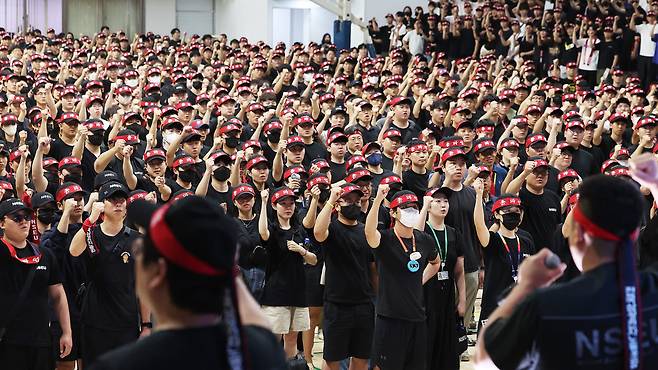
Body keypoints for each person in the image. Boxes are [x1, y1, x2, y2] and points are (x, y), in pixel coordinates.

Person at [475, 155, 658, 369]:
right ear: (635, 234)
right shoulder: (652, 288)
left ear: (578, 236)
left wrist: (525, 287)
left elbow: (487, 359)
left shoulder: (547, 304)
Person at [88, 195, 288, 370]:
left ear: (157, 274)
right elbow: (258, 325)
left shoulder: (119, 365)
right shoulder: (260, 350)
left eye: (141, 253)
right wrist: (219, 261)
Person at [68, 181, 148, 365]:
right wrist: (90, 219)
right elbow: (73, 250)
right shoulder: (91, 233)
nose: (118, 203)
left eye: (122, 199)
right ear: (102, 204)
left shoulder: (137, 239)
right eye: (112, 199)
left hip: (126, 322)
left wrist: (146, 325)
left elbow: (143, 286)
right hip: (94, 322)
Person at [365, 185, 440, 370]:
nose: (411, 211)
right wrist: (377, 201)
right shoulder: (385, 239)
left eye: (414, 207)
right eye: (406, 208)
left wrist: (420, 280)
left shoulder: (424, 239)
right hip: (389, 318)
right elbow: (368, 232)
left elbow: (435, 262)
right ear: (394, 213)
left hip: (417, 317)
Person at [0, 198, 72, 370]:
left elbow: (58, 294)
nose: (23, 221)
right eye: (16, 218)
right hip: (6, 342)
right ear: (2, 223)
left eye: (26, 216)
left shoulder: (44, 254)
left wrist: (67, 332)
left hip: (40, 342)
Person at [314, 183, 375, 370]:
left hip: (364, 304)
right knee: (332, 359)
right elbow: (317, 232)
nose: (354, 204)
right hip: (337, 304)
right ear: (338, 205)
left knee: (362, 358)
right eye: (348, 200)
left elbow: (373, 268)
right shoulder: (331, 228)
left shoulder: (366, 231)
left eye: (357, 201)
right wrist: (331, 199)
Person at [258, 187, 318, 359]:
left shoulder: (299, 231)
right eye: (283, 204)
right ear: (275, 206)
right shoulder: (273, 230)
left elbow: (313, 260)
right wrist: (263, 203)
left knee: (291, 339)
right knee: (273, 339)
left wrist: (302, 251)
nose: (288, 207)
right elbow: (263, 232)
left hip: (298, 293)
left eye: (291, 203)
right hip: (276, 294)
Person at [417, 186, 466, 370]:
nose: (443, 204)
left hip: (446, 299)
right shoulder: (424, 230)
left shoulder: (454, 233)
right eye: (437, 201)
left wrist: (462, 300)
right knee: (426, 347)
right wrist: (423, 208)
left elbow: (459, 271)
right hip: (424, 297)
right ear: (428, 205)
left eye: (445, 201)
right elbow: (415, 235)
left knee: (447, 349)